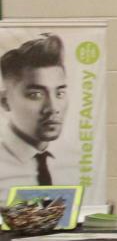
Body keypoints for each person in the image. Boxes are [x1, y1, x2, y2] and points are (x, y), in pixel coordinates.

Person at [0, 32, 69, 191]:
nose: (53, 108)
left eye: (59, 93)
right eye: (36, 95)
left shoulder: (75, 163)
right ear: (5, 101)